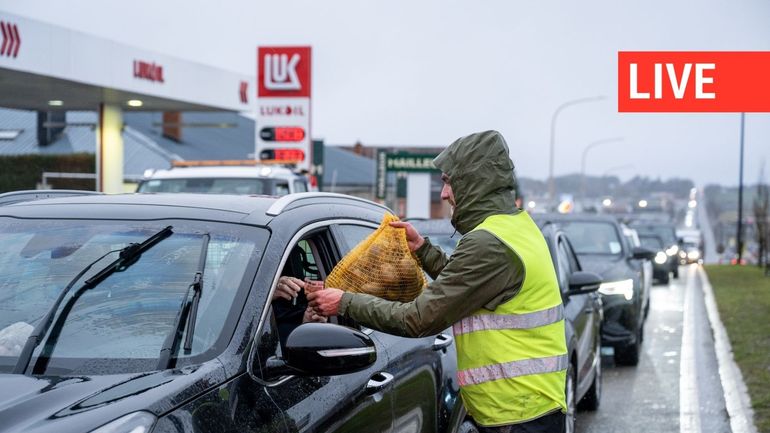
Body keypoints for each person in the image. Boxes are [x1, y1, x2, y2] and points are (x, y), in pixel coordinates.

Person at [309, 130, 568, 432]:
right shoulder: (514, 227)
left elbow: (420, 319)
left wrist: (343, 301)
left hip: (517, 417)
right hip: (526, 409)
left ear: (474, 181)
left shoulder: (489, 244)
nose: (444, 194)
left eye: (448, 181)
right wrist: (422, 249)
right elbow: (469, 287)